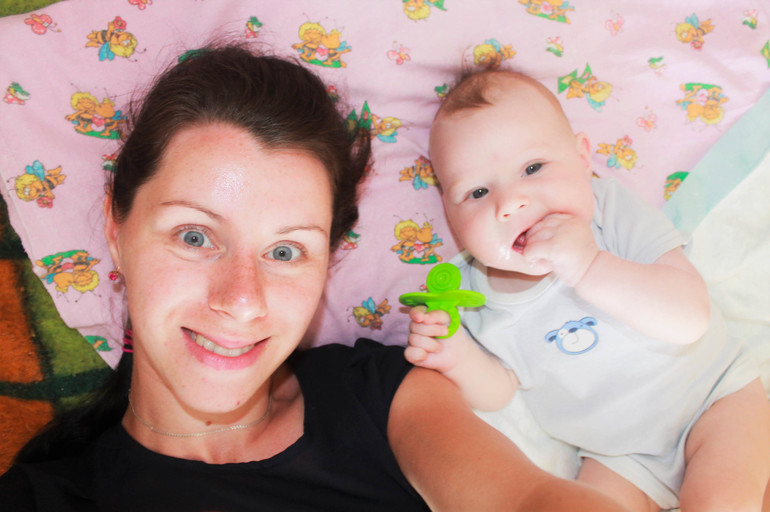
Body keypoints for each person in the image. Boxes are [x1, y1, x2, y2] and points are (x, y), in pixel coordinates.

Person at [0, 45, 631, 511]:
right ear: (117, 228)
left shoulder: (383, 398)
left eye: (285, 252)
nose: (241, 301)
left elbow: (526, 500)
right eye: (194, 236)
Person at [405, 68, 770, 511]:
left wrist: (588, 264)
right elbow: (501, 391)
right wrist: (455, 357)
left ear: (582, 159)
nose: (511, 203)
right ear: (449, 210)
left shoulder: (608, 213)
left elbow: (689, 317)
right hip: (617, 456)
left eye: (533, 168)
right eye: (478, 192)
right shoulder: (469, 292)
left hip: (712, 399)